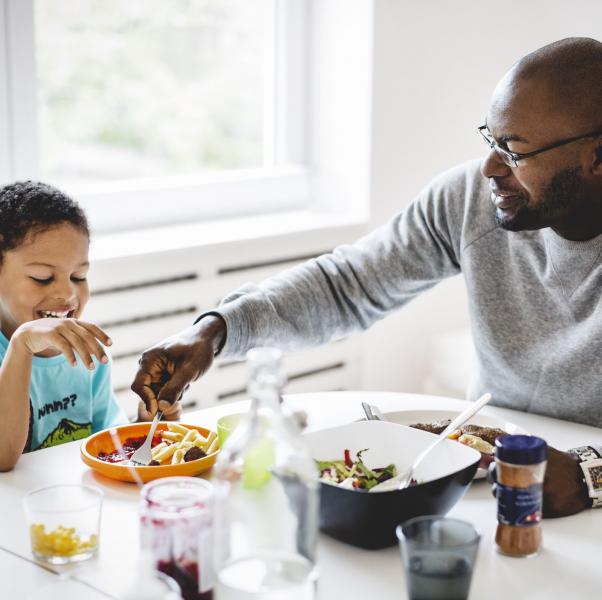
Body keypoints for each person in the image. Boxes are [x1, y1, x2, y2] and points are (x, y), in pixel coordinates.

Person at [132, 37, 602, 517]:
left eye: (514, 151)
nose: (489, 167)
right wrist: (215, 330)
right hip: (489, 483)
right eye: (491, 139)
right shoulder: (473, 199)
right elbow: (348, 285)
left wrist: (591, 477)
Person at [0, 181, 178, 472]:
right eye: (42, 277)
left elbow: (104, 446)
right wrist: (22, 344)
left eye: (79, 276)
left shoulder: (85, 353)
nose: (68, 294)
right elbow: (2, 458)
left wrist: (147, 427)